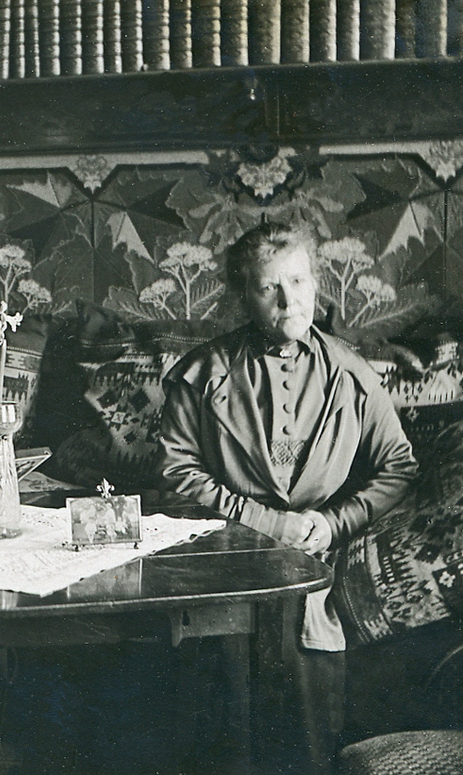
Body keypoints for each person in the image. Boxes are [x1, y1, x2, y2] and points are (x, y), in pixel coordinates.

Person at [157, 221, 418, 772]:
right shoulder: (203, 375)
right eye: (268, 287)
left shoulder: (351, 374)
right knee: (220, 724)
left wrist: (332, 523)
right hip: (227, 559)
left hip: (317, 563)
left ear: (316, 283)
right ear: (243, 296)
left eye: (298, 281)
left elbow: (398, 466)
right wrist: (266, 522)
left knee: (305, 725)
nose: (288, 300)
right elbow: (177, 473)